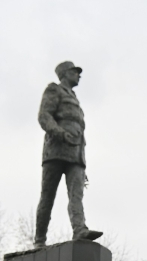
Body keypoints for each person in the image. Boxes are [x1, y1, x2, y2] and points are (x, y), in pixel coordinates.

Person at [35, 61, 102, 249]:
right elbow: (44, 116)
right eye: (75, 72)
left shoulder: (75, 99)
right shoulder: (54, 90)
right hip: (56, 150)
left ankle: (79, 229)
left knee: (76, 195)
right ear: (65, 74)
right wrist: (60, 133)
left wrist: (82, 161)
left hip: (76, 154)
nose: (79, 75)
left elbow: (79, 130)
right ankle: (39, 239)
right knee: (48, 196)